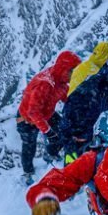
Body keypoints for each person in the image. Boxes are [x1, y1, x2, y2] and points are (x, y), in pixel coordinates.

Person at [17, 50, 81, 183]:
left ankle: (50, 154)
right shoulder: (45, 84)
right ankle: (27, 173)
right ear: (64, 69)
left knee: (62, 131)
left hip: (46, 114)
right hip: (27, 119)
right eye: (71, 71)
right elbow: (33, 112)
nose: (73, 75)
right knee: (29, 146)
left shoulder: (61, 81)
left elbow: (65, 97)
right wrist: (47, 131)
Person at [60, 54, 108, 162]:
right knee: (75, 174)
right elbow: (67, 116)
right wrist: (71, 142)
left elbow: (102, 112)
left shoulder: (103, 87)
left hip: (91, 141)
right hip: (78, 144)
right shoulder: (90, 89)